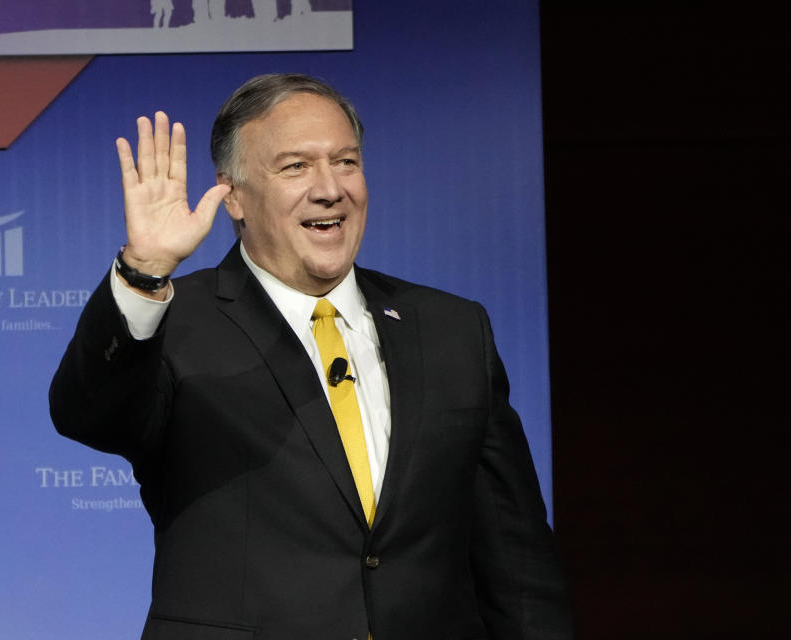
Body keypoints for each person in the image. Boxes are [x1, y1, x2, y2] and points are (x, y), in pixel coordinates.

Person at [50, 73, 573, 640]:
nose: (330, 189)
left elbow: (516, 554)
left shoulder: (452, 328)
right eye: (295, 166)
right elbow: (88, 413)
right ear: (235, 196)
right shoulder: (176, 322)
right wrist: (142, 271)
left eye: (346, 162)